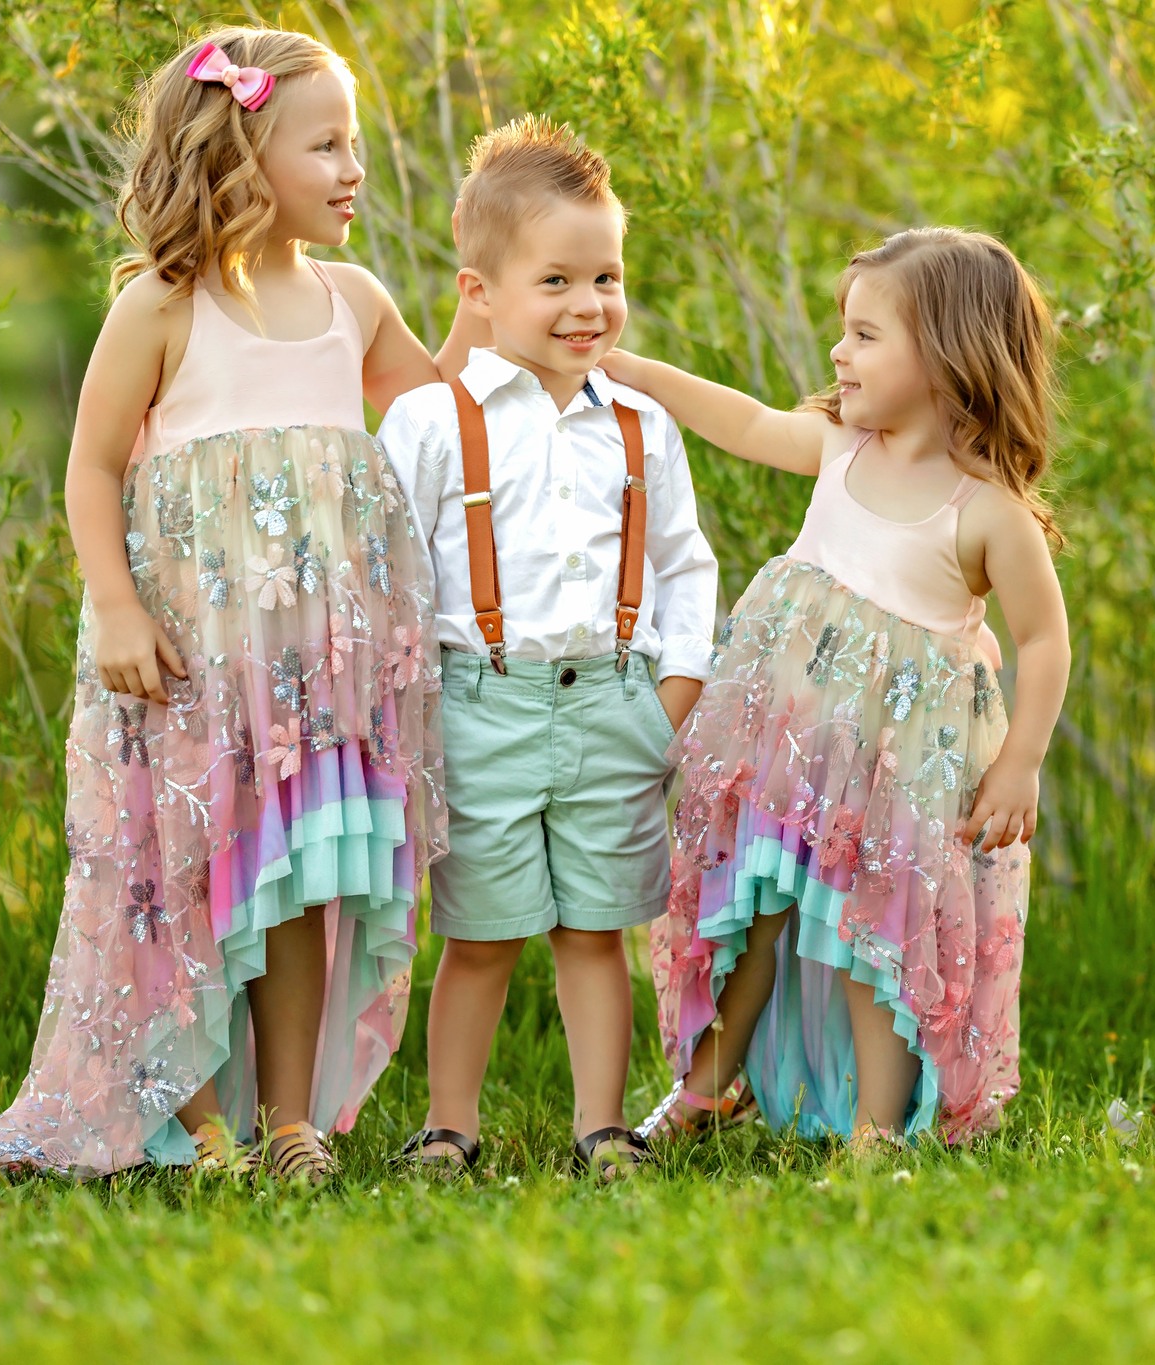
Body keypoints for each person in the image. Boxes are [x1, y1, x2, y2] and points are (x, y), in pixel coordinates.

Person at [0, 26, 446, 1182]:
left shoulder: (354, 303)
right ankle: (195, 1119)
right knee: (193, 877)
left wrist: (499, 311)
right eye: (324, 144)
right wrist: (117, 608)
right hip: (192, 667)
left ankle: (289, 1126)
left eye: (354, 143)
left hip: (315, 685)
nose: (351, 168)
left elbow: (437, 416)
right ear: (242, 153)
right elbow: (91, 470)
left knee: (296, 884)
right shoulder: (164, 307)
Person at [604, 227, 1071, 1151]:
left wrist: (1021, 761)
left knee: (875, 937)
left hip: (899, 772)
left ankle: (877, 1127)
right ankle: (704, 1089)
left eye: (865, 335)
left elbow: (1044, 637)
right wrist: (635, 370)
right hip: (791, 748)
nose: (838, 353)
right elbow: (744, 423)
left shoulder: (984, 510)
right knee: (757, 903)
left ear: (945, 354)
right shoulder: (841, 446)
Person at [377, 115, 717, 1180]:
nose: (589, 306)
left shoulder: (639, 424)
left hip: (613, 700)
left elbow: (684, 560)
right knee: (478, 933)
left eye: (606, 277)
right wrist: (413, 714)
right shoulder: (436, 422)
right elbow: (393, 577)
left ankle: (600, 1127)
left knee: (594, 930)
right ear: (478, 291)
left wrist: (670, 694)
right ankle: (448, 1124)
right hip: (480, 705)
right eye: (556, 280)